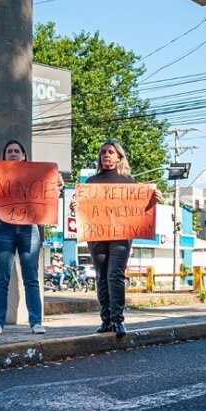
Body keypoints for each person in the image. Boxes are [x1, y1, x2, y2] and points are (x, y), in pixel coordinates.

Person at [0, 139, 62, 336]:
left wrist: (56, 185)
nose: (13, 154)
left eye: (17, 151)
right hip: (4, 229)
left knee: (31, 279)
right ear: (4, 157)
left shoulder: (37, 176)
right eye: (9, 151)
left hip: (29, 229)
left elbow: (48, 196)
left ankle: (36, 322)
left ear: (24, 156)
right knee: (1, 277)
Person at [73, 140, 161, 337]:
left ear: (119, 157)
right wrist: (76, 207)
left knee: (116, 275)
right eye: (103, 152)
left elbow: (140, 210)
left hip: (121, 236)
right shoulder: (91, 182)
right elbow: (84, 209)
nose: (106, 155)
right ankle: (106, 321)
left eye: (111, 152)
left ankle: (118, 320)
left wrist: (153, 199)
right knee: (102, 276)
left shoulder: (129, 182)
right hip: (97, 235)